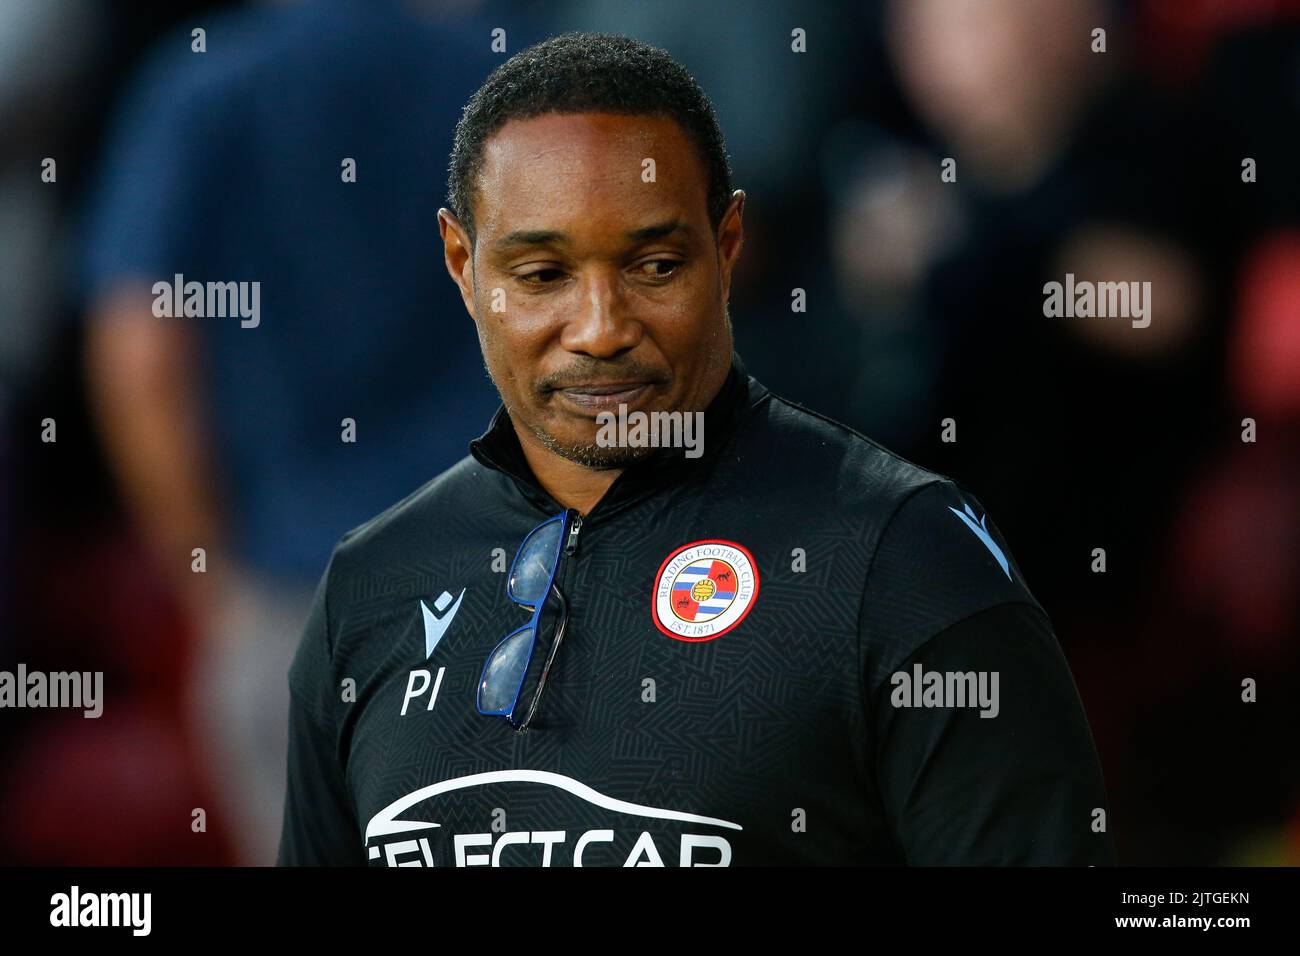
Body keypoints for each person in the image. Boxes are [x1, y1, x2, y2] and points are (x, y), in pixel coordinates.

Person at [278, 32, 1114, 867]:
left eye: (654, 265)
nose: (601, 330)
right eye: (542, 276)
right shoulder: (371, 587)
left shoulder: (901, 559)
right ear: (464, 266)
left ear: (729, 247)